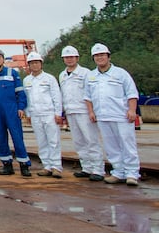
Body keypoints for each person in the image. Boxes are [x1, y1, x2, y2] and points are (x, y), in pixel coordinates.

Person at [84, 43, 141, 186]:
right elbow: (88, 96)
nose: (100, 58)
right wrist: (91, 111)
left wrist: (132, 110)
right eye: (96, 56)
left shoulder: (121, 73)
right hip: (102, 116)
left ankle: (132, 174)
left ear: (108, 56)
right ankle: (118, 172)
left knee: (127, 144)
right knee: (111, 146)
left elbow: (132, 93)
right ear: (93, 58)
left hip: (122, 115)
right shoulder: (91, 76)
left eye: (102, 55)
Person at [58, 45, 104, 181]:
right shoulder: (62, 75)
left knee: (91, 140)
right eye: (66, 57)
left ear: (77, 58)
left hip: (84, 111)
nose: (69, 60)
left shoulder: (86, 73)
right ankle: (86, 167)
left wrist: (92, 111)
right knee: (79, 142)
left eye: (72, 57)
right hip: (71, 111)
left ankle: (98, 169)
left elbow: (92, 94)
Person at [0, 47, 31, 177]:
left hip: (11, 109)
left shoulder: (12, 73)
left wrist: (21, 107)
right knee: (1, 137)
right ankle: (6, 164)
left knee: (17, 136)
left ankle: (24, 165)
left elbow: (20, 92)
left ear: (3, 59)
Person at [23, 52, 63, 178]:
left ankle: (56, 166)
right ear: (28, 65)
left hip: (49, 113)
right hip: (35, 115)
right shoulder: (27, 80)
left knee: (53, 140)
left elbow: (57, 96)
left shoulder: (49, 79)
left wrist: (58, 113)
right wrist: (28, 114)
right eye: (32, 63)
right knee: (41, 142)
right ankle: (47, 166)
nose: (34, 65)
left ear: (41, 64)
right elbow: (27, 99)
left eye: (37, 62)